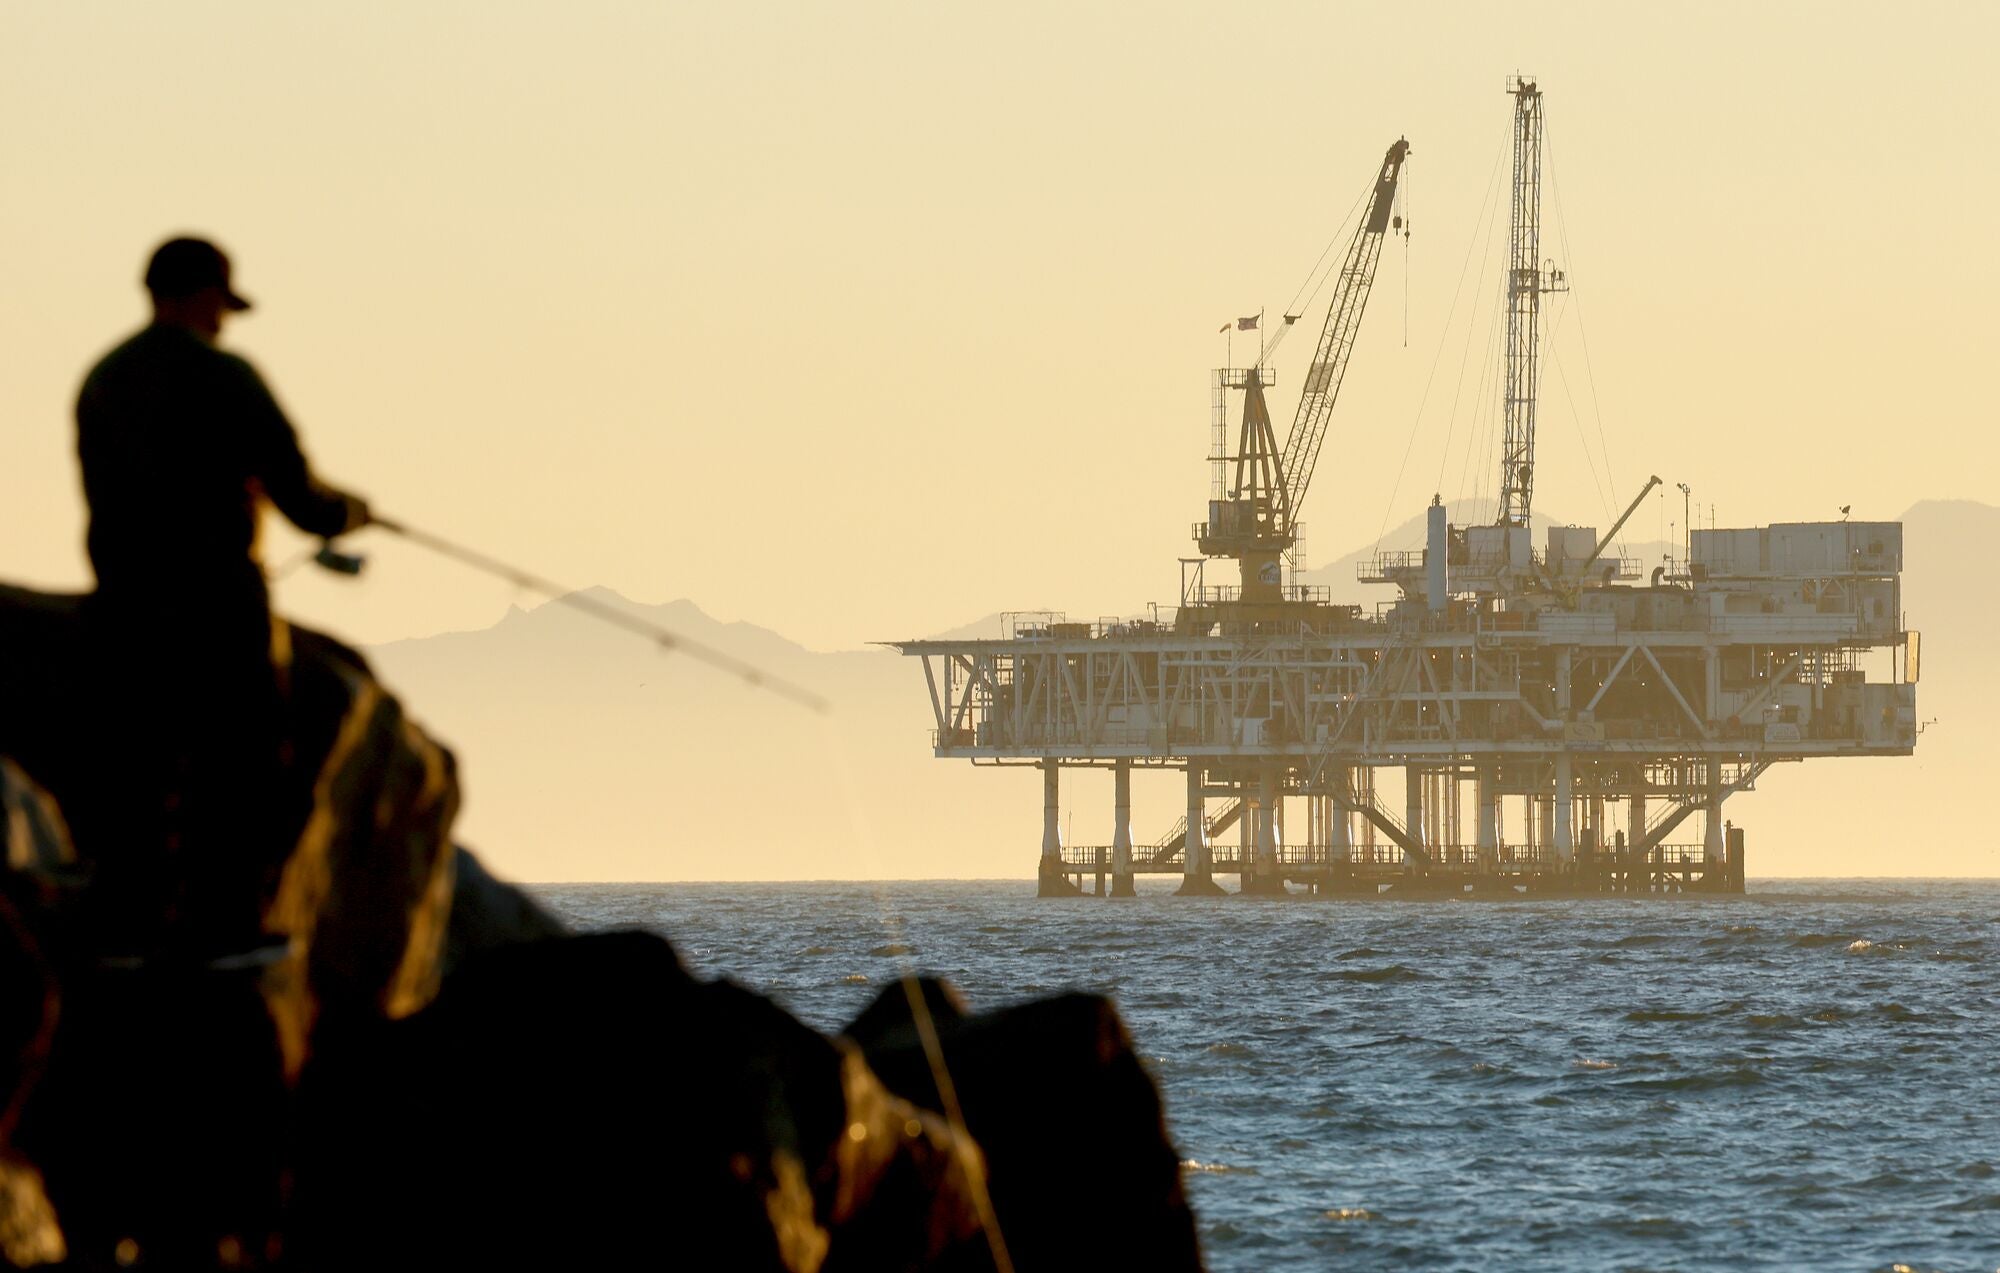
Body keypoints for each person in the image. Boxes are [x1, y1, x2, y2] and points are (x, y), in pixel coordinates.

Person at [71, 236, 371, 954]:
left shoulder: (104, 378)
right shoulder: (226, 376)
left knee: (139, 769)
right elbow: (301, 497)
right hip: (217, 603)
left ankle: (127, 927)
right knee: (238, 765)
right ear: (205, 294)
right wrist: (349, 512)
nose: (222, 321)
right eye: (220, 305)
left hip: (124, 600)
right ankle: (225, 928)